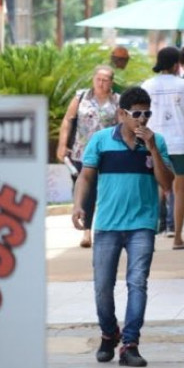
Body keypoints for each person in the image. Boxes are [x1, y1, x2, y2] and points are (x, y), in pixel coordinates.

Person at [71, 86, 174, 368]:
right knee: (103, 286)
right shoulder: (101, 141)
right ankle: (108, 334)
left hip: (142, 224)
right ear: (122, 114)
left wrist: (152, 148)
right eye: (136, 114)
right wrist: (79, 205)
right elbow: (86, 177)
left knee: (137, 282)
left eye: (146, 113)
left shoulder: (157, 142)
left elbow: (167, 184)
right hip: (107, 226)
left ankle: (130, 344)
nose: (142, 120)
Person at [141, 46, 184, 250]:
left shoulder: (147, 85)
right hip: (182, 144)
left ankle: (148, 236)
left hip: (154, 144)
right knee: (179, 191)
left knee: (154, 189)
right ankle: (177, 237)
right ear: (177, 65)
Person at [57, 65, 120, 248]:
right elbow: (68, 120)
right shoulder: (81, 97)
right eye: (98, 79)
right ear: (93, 79)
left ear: (111, 82)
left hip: (107, 152)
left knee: (106, 191)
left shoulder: (117, 100)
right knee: (86, 191)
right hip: (81, 151)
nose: (101, 83)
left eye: (105, 80)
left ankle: (105, 228)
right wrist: (62, 144)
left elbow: (122, 125)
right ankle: (86, 231)